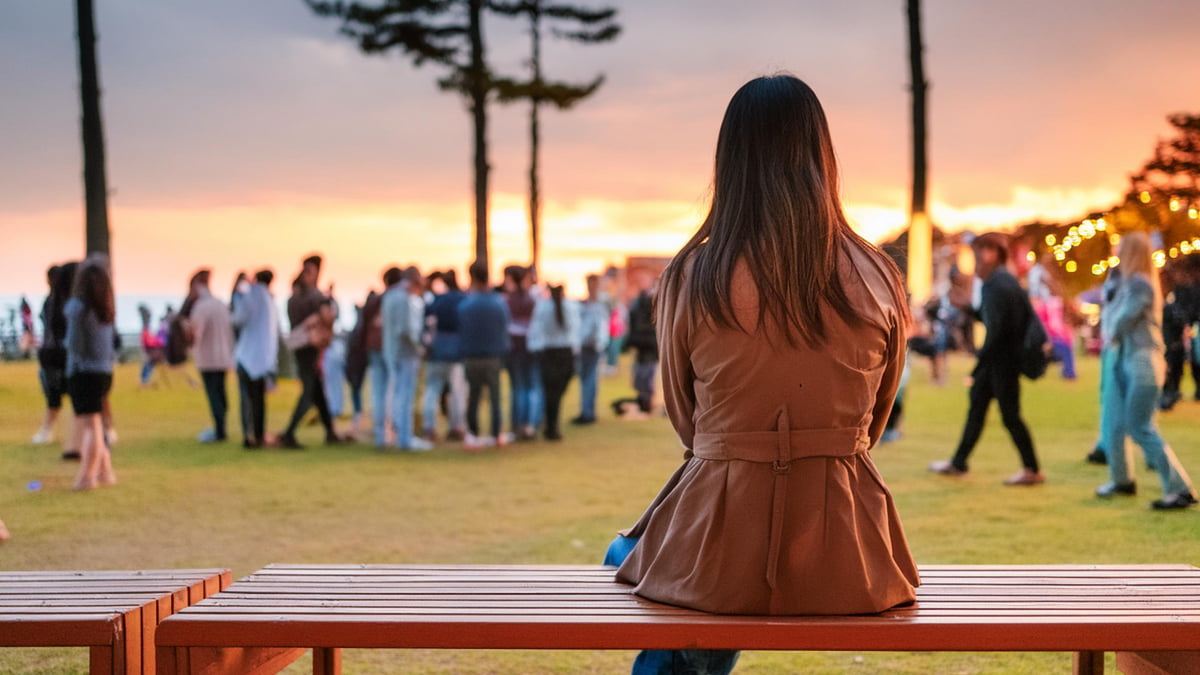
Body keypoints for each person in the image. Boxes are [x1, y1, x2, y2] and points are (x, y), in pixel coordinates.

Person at [607, 75, 918, 675]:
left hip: (720, 541)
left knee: (626, 557)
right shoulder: (878, 275)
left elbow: (686, 420)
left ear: (730, 159)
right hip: (848, 554)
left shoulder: (694, 274)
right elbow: (874, 422)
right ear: (821, 154)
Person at [930, 232, 1044, 486]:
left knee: (1010, 416)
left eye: (977, 253)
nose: (975, 260)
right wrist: (969, 309)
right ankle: (959, 462)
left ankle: (1032, 469)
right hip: (999, 361)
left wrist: (978, 364)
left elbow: (998, 332)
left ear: (990, 253)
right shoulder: (1002, 281)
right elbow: (995, 320)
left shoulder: (998, 284)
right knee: (978, 410)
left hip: (1002, 362)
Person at [1095, 232, 1197, 509]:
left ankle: (1180, 489)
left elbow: (1119, 321)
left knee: (1140, 427)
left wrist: (1109, 329)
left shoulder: (1140, 284)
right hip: (1122, 358)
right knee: (1113, 424)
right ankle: (1122, 480)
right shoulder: (1123, 281)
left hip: (1142, 360)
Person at [64, 260, 117, 490]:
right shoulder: (107, 309)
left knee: (91, 424)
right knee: (97, 422)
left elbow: (74, 345)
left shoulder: (77, 308)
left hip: (83, 372)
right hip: (104, 372)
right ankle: (105, 471)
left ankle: (88, 476)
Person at [279, 255, 340, 448]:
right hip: (312, 347)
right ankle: (289, 433)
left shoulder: (292, 299)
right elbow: (328, 318)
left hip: (300, 346)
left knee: (317, 391)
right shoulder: (316, 297)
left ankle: (330, 431)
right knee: (309, 390)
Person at [458, 261, 511, 450]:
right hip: (493, 356)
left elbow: (461, 329)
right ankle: (496, 434)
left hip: (472, 356)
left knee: (474, 396)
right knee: (495, 397)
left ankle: (473, 434)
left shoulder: (467, 305)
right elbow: (505, 327)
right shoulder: (498, 303)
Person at [382, 266, 431, 451]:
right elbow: (406, 330)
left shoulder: (390, 296)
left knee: (396, 394)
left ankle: (395, 434)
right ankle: (404, 437)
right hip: (405, 353)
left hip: (392, 351)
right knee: (405, 396)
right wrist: (418, 347)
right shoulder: (404, 297)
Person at [232, 269, 279, 449]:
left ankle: (249, 435)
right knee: (259, 400)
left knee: (247, 400)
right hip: (262, 359)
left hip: (246, 355)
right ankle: (258, 436)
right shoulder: (269, 300)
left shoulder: (250, 296)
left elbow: (237, 320)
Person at [186, 270, 235, 443]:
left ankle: (219, 431)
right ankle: (221, 428)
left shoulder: (201, 307)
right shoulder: (220, 304)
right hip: (223, 357)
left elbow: (194, 333)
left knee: (214, 395)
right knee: (221, 394)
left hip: (208, 359)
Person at [32, 262, 76, 453]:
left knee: (55, 394)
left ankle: (49, 431)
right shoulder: (58, 301)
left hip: (55, 354)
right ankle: (49, 431)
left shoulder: (57, 302)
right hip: (55, 354)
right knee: (57, 394)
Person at [527, 284, 580, 441]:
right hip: (562, 352)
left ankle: (550, 424)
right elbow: (575, 329)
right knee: (554, 392)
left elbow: (535, 328)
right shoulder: (566, 307)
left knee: (552, 392)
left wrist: (534, 347)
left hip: (550, 352)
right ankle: (550, 426)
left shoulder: (546, 307)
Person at [423, 269, 467, 442]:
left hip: (438, 348)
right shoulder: (462, 300)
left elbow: (427, 321)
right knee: (457, 390)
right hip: (457, 349)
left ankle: (430, 426)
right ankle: (457, 426)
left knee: (432, 389)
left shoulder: (438, 300)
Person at [611, 271, 658, 416]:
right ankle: (643, 402)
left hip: (649, 345)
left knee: (646, 376)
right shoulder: (639, 301)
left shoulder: (649, 301)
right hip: (643, 345)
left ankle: (646, 403)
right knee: (641, 376)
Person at [365, 268, 399, 447]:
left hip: (373, 347)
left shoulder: (375, 299)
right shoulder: (397, 299)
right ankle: (390, 432)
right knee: (392, 391)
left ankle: (380, 434)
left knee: (378, 392)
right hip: (389, 348)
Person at [503, 265, 538, 440]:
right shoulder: (530, 299)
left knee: (518, 387)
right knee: (529, 387)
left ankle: (519, 424)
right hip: (529, 347)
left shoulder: (509, 300)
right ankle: (529, 424)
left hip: (516, 348)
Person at [572, 274, 610, 425]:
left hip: (593, 346)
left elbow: (601, 327)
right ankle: (586, 410)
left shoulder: (600, 305)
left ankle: (588, 412)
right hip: (584, 345)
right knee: (585, 379)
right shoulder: (584, 304)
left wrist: (599, 343)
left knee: (590, 379)